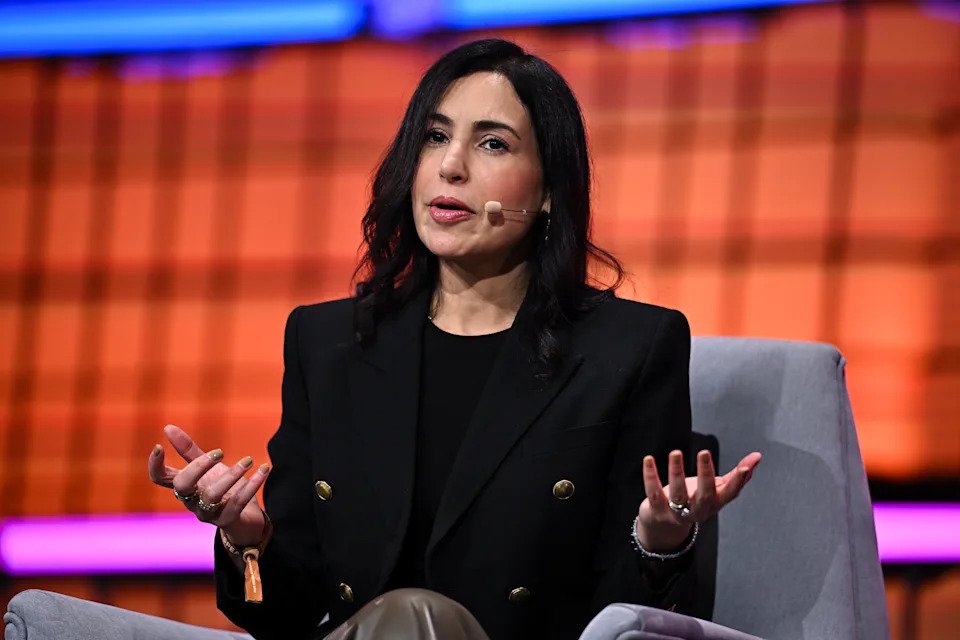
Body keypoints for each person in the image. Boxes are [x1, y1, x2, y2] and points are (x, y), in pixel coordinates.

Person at [148, 38, 761, 640]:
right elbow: (283, 616)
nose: (450, 165)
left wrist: (658, 541)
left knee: (416, 617)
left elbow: (627, 620)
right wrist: (247, 542)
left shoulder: (629, 349)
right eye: (435, 137)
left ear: (549, 190)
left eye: (492, 143)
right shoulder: (327, 342)